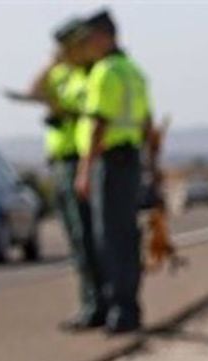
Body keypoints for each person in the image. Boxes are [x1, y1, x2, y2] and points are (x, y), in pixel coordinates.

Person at [5, 17, 107, 330]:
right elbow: (33, 90)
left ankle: (98, 304)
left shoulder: (88, 75)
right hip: (60, 161)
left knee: (89, 237)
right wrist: (53, 62)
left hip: (80, 159)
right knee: (78, 240)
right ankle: (91, 302)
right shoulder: (62, 73)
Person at [74, 10, 157, 334]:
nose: (87, 47)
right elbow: (148, 122)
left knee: (109, 238)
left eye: (89, 39)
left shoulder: (106, 72)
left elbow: (98, 123)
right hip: (130, 159)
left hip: (109, 161)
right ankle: (128, 306)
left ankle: (119, 310)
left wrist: (84, 169)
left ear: (104, 36)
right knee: (126, 235)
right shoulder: (133, 71)